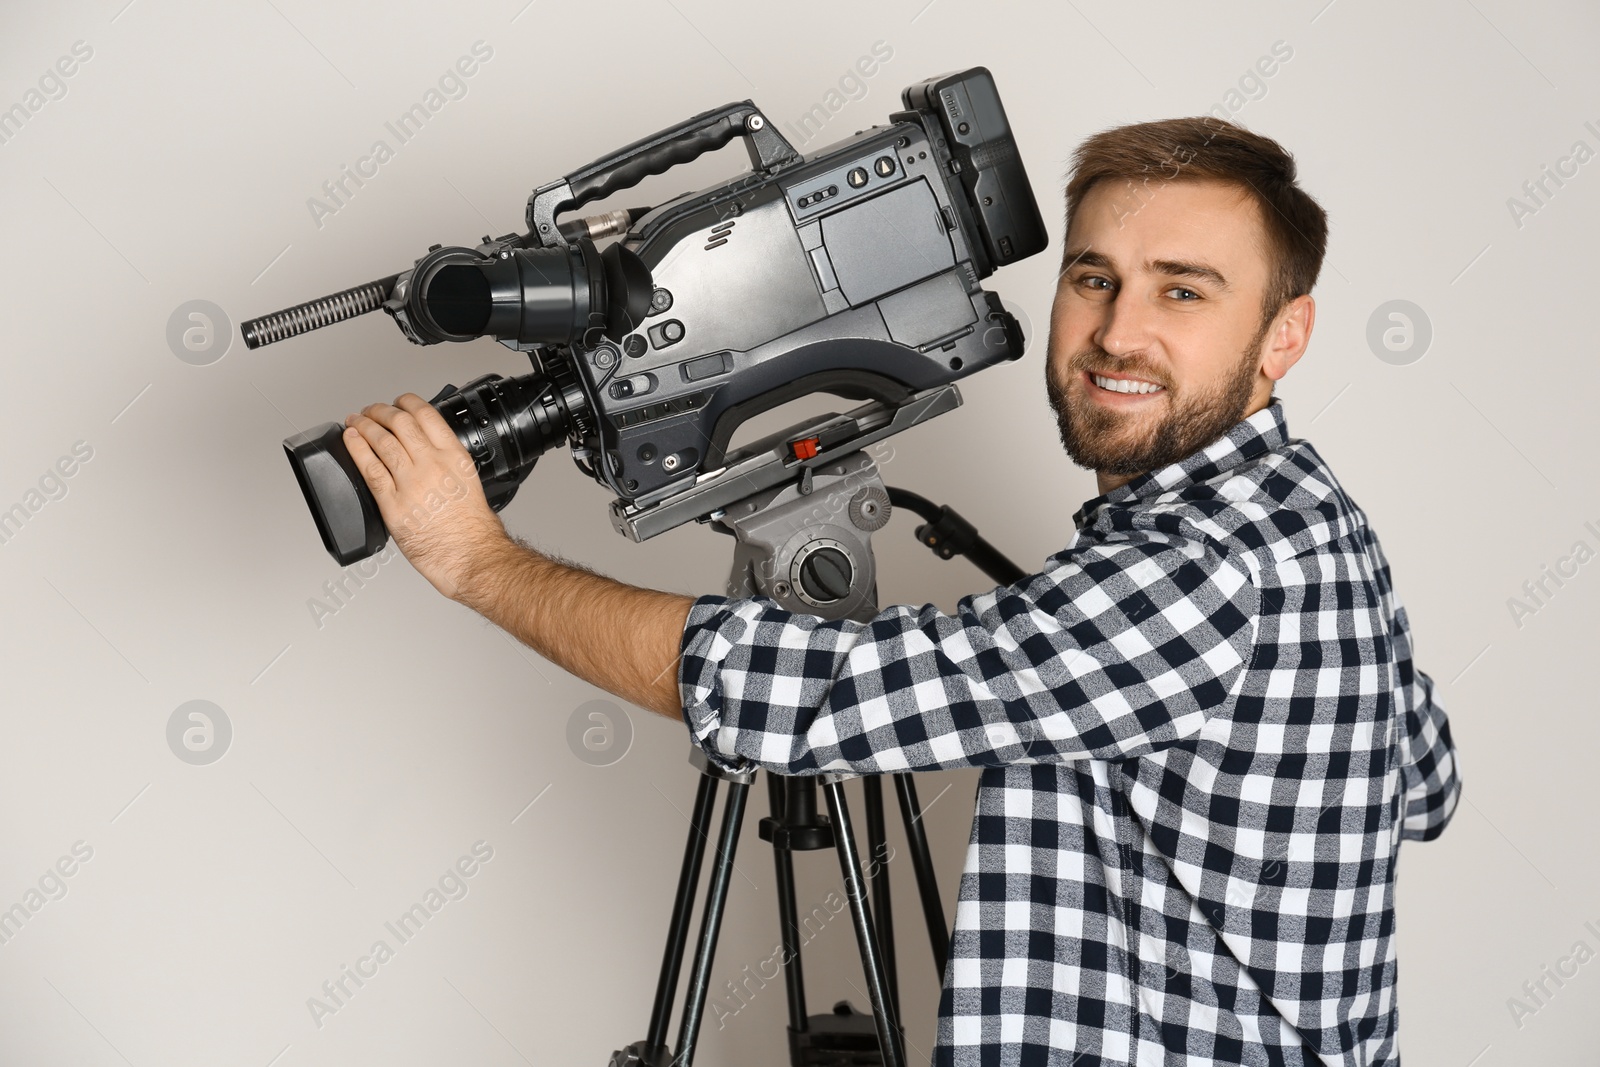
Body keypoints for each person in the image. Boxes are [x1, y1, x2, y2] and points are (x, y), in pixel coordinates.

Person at [340, 116, 1462, 1065]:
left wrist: (477, 562)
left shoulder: (1200, 567)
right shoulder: (1310, 520)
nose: (1120, 331)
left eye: (1184, 291)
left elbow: (791, 692)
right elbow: (1426, 783)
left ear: (1283, 336)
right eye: (1094, 278)